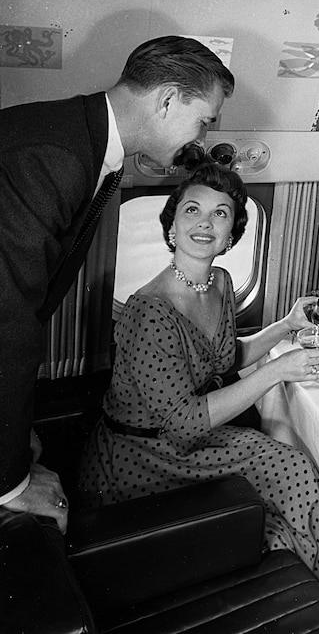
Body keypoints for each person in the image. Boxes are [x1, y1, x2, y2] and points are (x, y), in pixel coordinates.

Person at [76, 164, 319, 620]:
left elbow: (227, 358)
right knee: (289, 465)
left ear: (232, 235)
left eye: (220, 214)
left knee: (292, 463)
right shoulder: (150, 310)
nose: (204, 223)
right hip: (144, 454)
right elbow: (185, 424)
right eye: (191, 210)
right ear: (171, 226)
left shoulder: (220, 283)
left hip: (186, 439)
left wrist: (287, 325)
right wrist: (277, 373)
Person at [0, 35, 235, 533]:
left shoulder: (79, 140)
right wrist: (11, 481)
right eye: (204, 121)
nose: (200, 139)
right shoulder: (56, 158)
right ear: (168, 99)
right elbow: (8, 320)